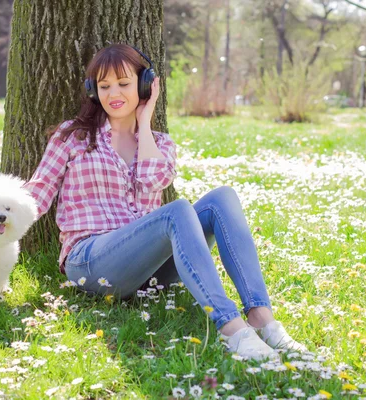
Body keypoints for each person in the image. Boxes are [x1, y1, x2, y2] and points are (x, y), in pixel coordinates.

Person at [23, 44, 307, 360]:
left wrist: (143, 124)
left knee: (221, 199)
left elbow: (151, 180)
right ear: (93, 91)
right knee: (177, 211)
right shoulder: (72, 137)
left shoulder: (160, 143)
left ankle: (261, 317)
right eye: (104, 86)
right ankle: (232, 329)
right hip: (92, 261)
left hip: (150, 272)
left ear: (145, 85)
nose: (113, 93)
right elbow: (37, 194)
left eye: (123, 83)